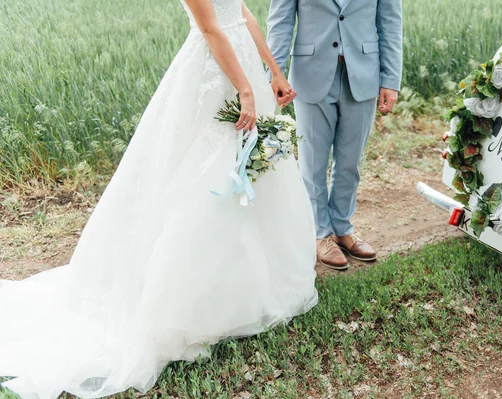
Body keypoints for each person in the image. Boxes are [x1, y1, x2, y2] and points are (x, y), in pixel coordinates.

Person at [0, 1, 318, 398]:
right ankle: (190, 308)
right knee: (206, 182)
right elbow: (211, 30)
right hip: (215, 72)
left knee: (254, 170)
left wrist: (273, 70)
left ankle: (254, 292)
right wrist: (244, 89)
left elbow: (243, 13)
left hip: (247, 66)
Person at [267, 0, 403, 270]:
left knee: (350, 162)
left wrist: (390, 79)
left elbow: (390, 23)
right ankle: (321, 233)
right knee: (313, 162)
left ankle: (343, 228)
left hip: (363, 74)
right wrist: (276, 73)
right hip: (310, 74)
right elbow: (280, 22)